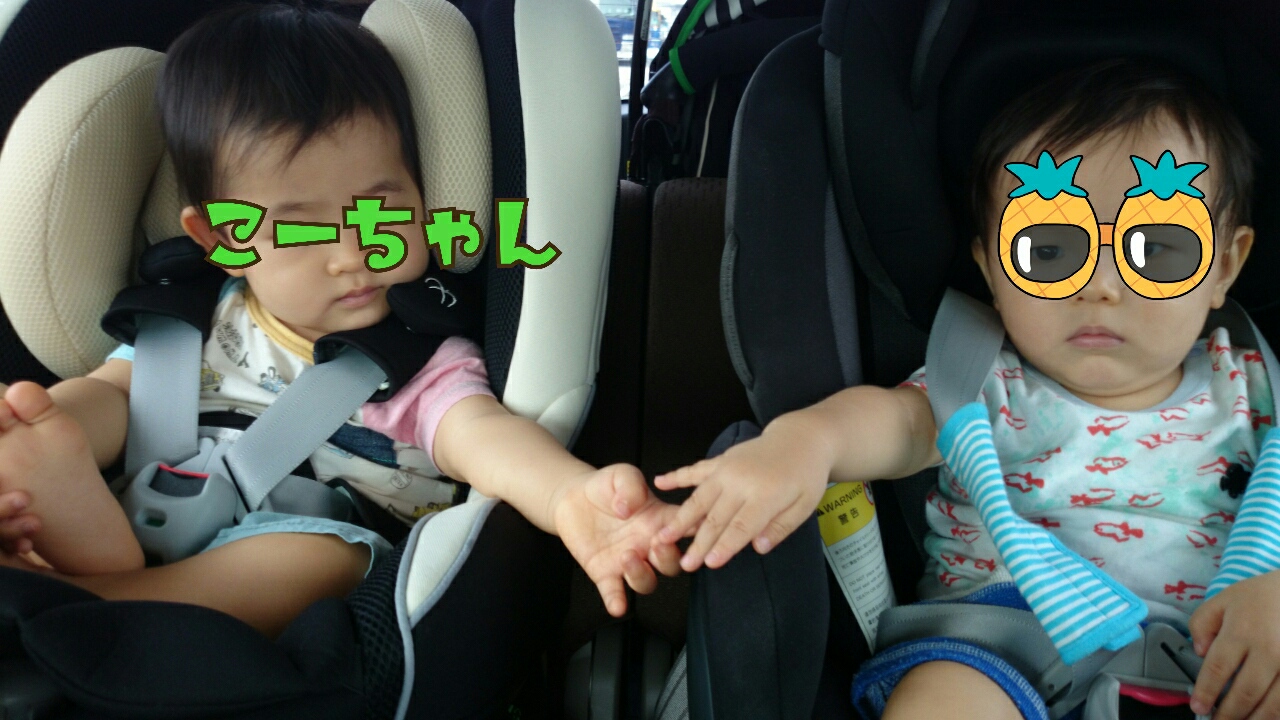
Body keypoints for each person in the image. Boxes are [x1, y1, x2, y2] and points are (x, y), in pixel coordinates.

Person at [0, 2, 674, 639]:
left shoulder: (417, 358)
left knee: (310, 559)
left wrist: (567, 495)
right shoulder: (190, 322)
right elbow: (119, 393)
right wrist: (51, 424)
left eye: (384, 212)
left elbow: (484, 437)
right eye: (298, 228)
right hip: (149, 506)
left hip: (315, 543)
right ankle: (88, 546)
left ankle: (99, 602)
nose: (354, 254)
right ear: (219, 238)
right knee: (54, 431)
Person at [649, 59, 1280, 720]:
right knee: (946, 696)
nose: (1101, 286)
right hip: (1002, 650)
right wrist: (806, 441)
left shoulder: (1254, 389)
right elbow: (900, 424)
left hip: (1220, 657)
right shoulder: (981, 383)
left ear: (1224, 266)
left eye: (1157, 251)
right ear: (992, 271)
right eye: (1049, 252)